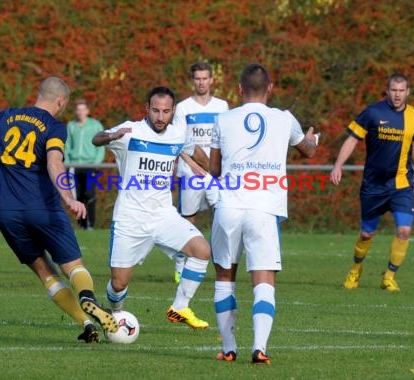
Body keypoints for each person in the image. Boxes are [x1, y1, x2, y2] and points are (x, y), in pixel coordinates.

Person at [0, 76, 118, 343]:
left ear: (39, 94)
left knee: (45, 272)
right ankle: (88, 299)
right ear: (61, 101)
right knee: (73, 266)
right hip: (43, 209)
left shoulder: (8, 116)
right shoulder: (54, 126)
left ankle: (86, 324)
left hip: (7, 213)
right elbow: (54, 163)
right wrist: (69, 198)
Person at [209, 63, 319, 364]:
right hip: (264, 209)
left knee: (224, 277)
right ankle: (259, 348)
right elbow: (307, 151)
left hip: (229, 206)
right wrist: (313, 138)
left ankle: (229, 349)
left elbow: (214, 169)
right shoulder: (284, 119)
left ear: (240, 90)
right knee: (263, 280)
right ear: (270, 89)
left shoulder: (224, 118)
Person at [92, 86, 211, 330]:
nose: (160, 116)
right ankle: (115, 313)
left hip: (164, 216)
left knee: (202, 250)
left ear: (173, 111)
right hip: (130, 218)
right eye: (155, 110)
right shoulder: (130, 131)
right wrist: (111, 137)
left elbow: (193, 151)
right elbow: (97, 138)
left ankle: (179, 307)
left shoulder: (178, 134)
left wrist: (212, 168)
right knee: (118, 283)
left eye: (166, 111)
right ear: (146, 108)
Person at [330, 73, 414, 292]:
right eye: (394, 90)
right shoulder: (373, 113)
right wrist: (338, 165)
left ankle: (389, 276)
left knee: (404, 231)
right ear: (387, 91)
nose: (397, 95)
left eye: (401, 90)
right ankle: (356, 269)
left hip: (401, 184)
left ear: (408, 92)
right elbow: (352, 139)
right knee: (366, 234)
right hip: (373, 186)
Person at [172, 62, 229, 283]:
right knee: (188, 221)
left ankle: (220, 267)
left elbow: (226, 139)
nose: (201, 82)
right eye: (197, 78)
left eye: (205, 78)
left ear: (212, 80)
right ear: (192, 80)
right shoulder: (184, 108)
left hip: (215, 174)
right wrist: (192, 165)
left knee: (222, 218)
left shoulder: (223, 106)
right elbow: (179, 141)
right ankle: (180, 266)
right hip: (191, 173)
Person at [66, 99, 105, 230]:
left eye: (83, 109)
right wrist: (67, 161)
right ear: (76, 111)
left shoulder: (95, 125)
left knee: (89, 194)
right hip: (74, 165)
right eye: (78, 109)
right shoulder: (71, 126)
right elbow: (67, 145)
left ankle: (91, 224)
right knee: (77, 196)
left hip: (89, 165)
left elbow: (101, 147)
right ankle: (82, 225)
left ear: (87, 111)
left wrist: (96, 163)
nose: (81, 112)